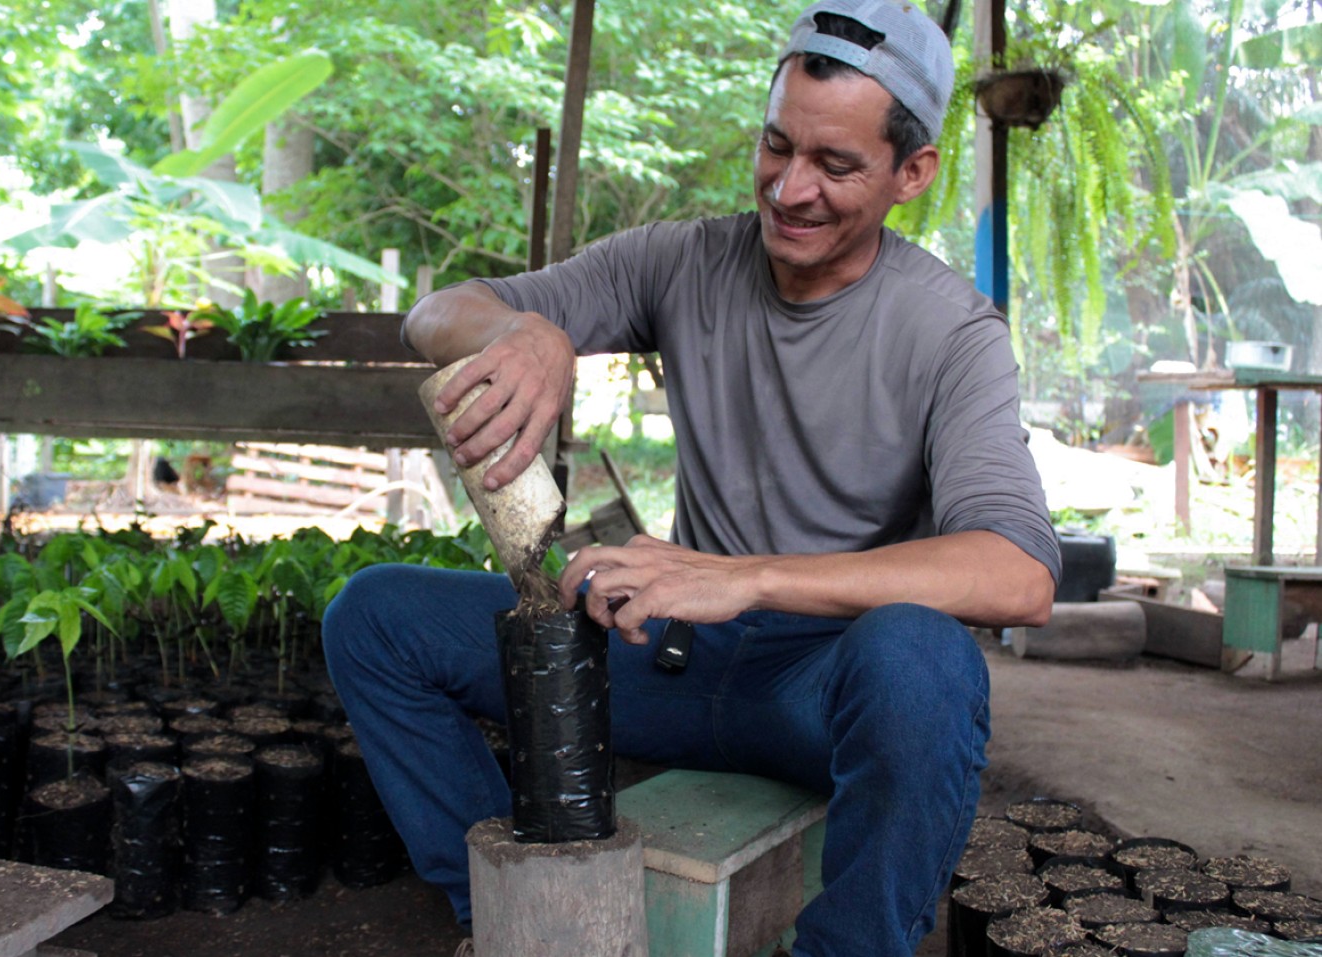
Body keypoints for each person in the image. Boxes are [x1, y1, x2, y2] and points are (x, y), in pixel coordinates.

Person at [323, 0, 1061, 953]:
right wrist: (524, 330)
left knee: (925, 662)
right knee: (375, 616)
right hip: (665, 658)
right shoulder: (681, 259)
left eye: (836, 165)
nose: (791, 190)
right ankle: (508, 916)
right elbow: (434, 313)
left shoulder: (954, 334)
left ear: (911, 173)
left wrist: (744, 576)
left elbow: (1019, 573)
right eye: (775, 146)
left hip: (821, 686)